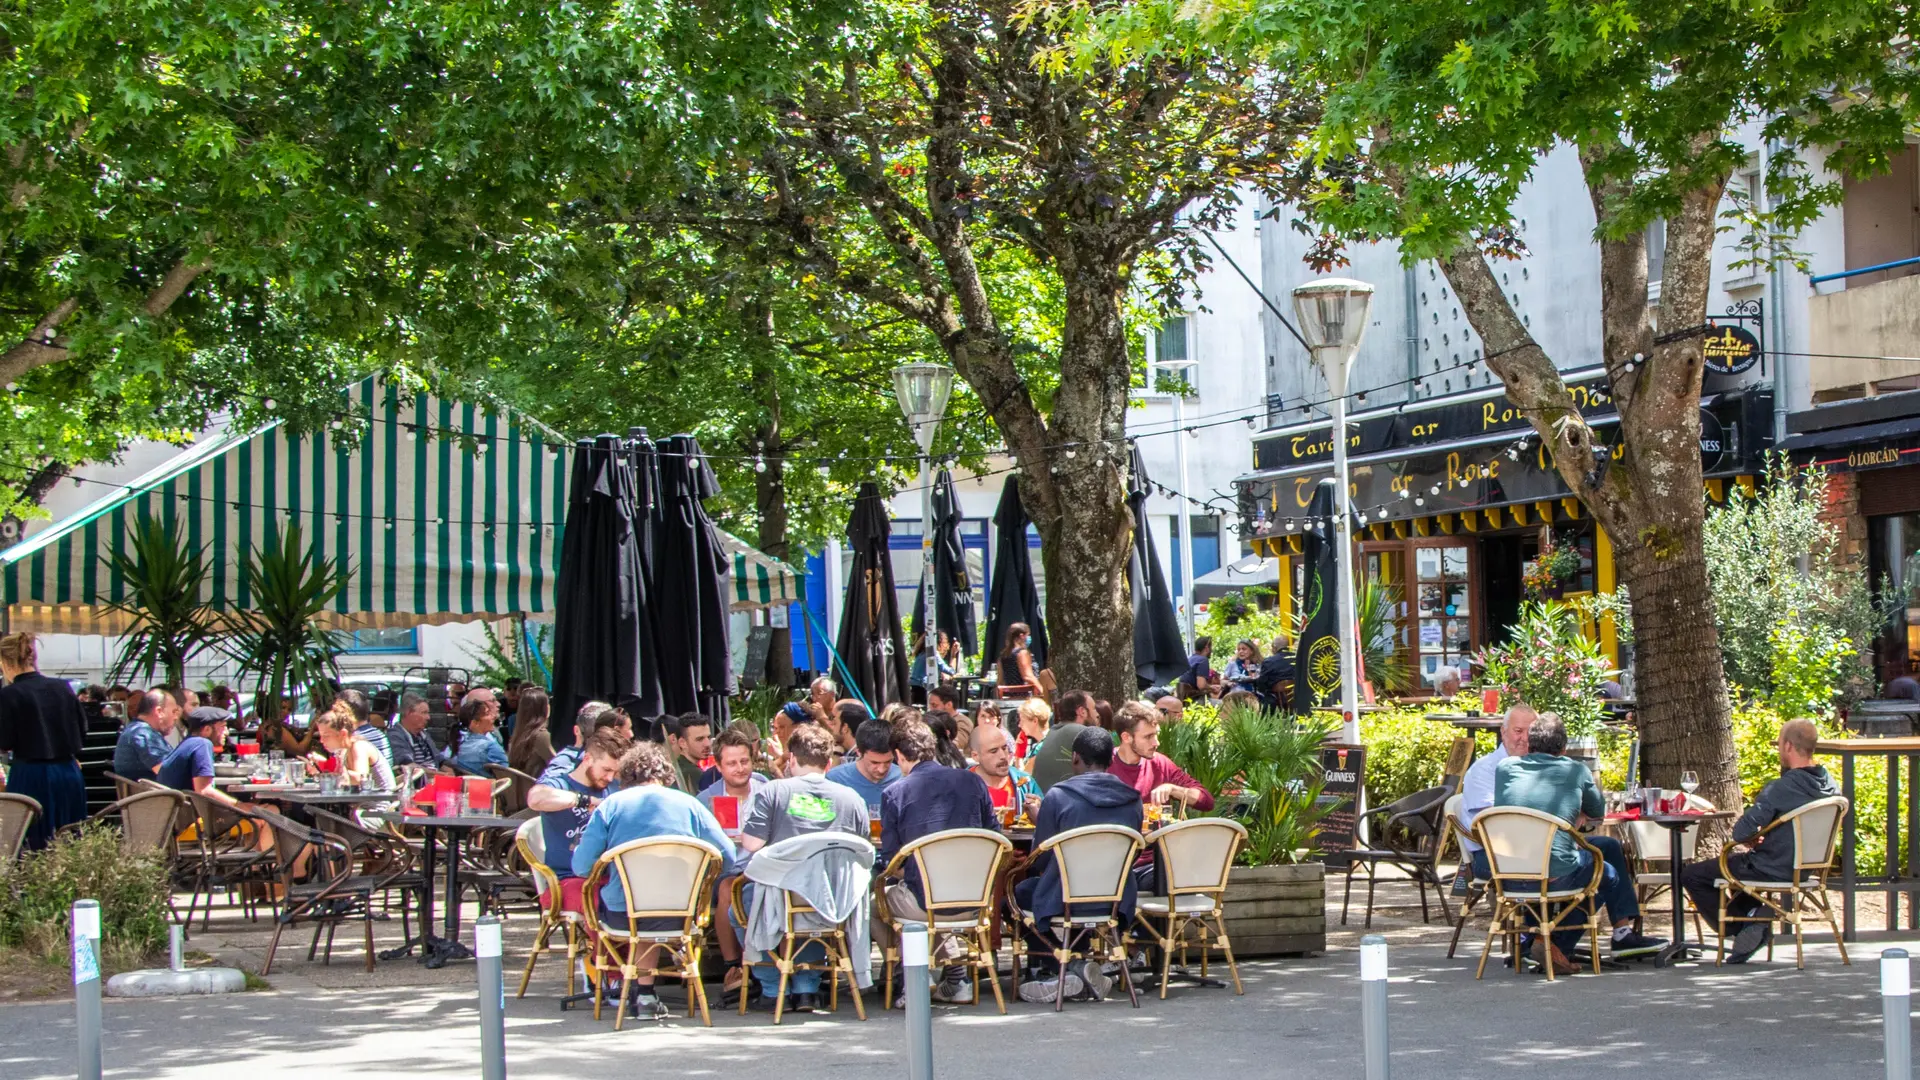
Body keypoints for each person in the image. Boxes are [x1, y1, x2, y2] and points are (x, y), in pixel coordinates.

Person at [571, 741, 740, 1021]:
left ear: (626, 777)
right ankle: (645, 993)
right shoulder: (690, 804)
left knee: (636, 909)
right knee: (651, 914)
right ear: (666, 775)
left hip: (623, 914)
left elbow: (581, 866)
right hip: (680, 914)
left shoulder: (611, 806)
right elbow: (728, 856)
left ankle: (639, 992)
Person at [1494, 712, 1663, 973]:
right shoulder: (1576, 770)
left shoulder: (1504, 769)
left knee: (1608, 848)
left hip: (1509, 872)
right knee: (1606, 873)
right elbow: (1598, 812)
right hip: (1554, 873)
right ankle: (1555, 943)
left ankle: (1618, 933)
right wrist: (1577, 815)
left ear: (1531, 743)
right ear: (1563, 748)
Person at [734, 724, 872, 1013]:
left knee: (737, 907)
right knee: (812, 909)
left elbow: (751, 843)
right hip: (835, 902)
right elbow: (863, 850)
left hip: (784, 896)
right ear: (829, 762)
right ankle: (807, 988)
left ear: (792, 759)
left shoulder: (774, 792)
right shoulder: (852, 799)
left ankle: (772, 987)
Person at [1680, 717, 1839, 963]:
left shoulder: (1781, 787)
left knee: (1692, 874)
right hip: (1806, 869)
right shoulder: (1830, 785)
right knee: (1738, 872)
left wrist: (1755, 836)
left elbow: (1740, 832)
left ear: (1787, 746)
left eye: (1779, 744)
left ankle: (1743, 930)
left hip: (1770, 866)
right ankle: (1755, 915)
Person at [1014, 726, 1144, 1003]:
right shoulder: (1132, 799)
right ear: (1111, 758)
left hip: (1066, 898)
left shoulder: (1059, 796)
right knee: (1052, 885)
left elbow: (1043, 858)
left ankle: (1055, 967)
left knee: (1018, 893)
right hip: (1116, 899)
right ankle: (1080, 965)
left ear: (1075, 758)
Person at [877, 718, 999, 1002]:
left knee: (877, 904)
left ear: (899, 755)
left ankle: (913, 979)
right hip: (974, 900)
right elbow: (993, 835)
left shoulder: (895, 793)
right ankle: (954, 974)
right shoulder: (972, 780)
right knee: (923, 897)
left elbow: (893, 861)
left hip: (925, 903)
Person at [526, 725, 630, 906]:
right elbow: (535, 798)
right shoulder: (560, 783)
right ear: (588, 759)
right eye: (606, 770)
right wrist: (584, 800)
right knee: (606, 904)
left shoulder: (612, 789)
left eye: (615, 772)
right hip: (568, 878)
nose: (610, 777)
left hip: (610, 877)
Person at [0, 633, 87, 848]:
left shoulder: (10, 695)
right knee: (70, 840)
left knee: (32, 842)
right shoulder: (63, 688)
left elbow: (4, 740)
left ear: (7, 662)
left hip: (31, 775)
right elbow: (82, 730)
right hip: (69, 772)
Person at [1459, 705, 1537, 879]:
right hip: (1493, 855)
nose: (1525, 738)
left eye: (1531, 732)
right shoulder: (1484, 770)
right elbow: (1495, 822)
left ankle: (1570, 906)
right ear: (1503, 731)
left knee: (1606, 847)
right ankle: (1559, 905)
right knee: (1577, 865)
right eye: (1518, 731)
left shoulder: (1539, 766)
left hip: (1535, 848)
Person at [1109, 701, 1213, 813]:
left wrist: (1173, 789)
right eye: (1148, 736)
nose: (1156, 743)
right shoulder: (1103, 764)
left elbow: (1206, 801)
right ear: (1126, 737)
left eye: (1156, 734)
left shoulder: (1161, 763)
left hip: (1157, 831)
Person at [310, 701, 397, 794]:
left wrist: (332, 772)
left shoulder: (359, 746)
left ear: (343, 734)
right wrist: (319, 767)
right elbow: (338, 781)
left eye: (326, 736)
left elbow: (360, 779)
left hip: (380, 805)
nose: (321, 740)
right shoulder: (342, 751)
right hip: (358, 804)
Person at [825, 718, 902, 820]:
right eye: (874, 762)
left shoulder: (903, 777)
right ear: (858, 752)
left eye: (888, 762)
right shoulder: (835, 780)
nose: (881, 769)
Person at [158, 707, 233, 794]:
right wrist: (239, 805)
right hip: (185, 807)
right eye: (223, 727)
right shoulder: (202, 744)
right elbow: (204, 791)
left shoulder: (188, 743)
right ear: (207, 729)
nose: (227, 732)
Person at [971, 725, 1040, 820]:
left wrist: (1040, 814)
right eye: (994, 751)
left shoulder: (1026, 783)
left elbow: (1049, 825)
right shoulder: (962, 786)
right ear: (975, 756)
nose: (1003, 756)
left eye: (1004, 748)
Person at [114, 689, 176, 778]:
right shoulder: (144, 733)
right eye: (173, 712)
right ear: (159, 711)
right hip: (161, 791)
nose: (176, 717)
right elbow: (168, 772)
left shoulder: (136, 729)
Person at [389, 693, 448, 772]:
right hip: (418, 781)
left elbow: (440, 760)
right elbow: (408, 766)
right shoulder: (395, 736)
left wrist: (450, 772)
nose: (428, 717)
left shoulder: (424, 735)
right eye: (424, 713)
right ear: (408, 713)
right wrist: (440, 775)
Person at [449, 696, 509, 774]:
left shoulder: (459, 744)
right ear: (475, 723)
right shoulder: (490, 747)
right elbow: (506, 776)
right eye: (487, 714)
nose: (493, 717)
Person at [333, 689, 392, 766]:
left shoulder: (353, 740)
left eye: (336, 710)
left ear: (345, 713)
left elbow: (357, 776)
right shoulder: (380, 735)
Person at [506, 687, 555, 777]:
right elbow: (558, 764)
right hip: (540, 787)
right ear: (546, 709)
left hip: (522, 787)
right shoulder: (541, 736)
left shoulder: (518, 735)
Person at [663, 713, 713, 795]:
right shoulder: (693, 773)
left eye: (708, 737)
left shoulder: (674, 768)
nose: (707, 744)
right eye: (700, 739)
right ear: (682, 743)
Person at [996, 622, 1045, 697]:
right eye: (1028, 635)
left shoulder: (1003, 655)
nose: (1029, 638)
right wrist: (1042, 691)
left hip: (1009, 696)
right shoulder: (1022, 653)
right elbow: (1028, 676)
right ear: (1022, 636)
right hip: (1025, 696)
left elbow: (1000, 679)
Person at [1251, 636, 1295, 709]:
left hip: (1275, 703)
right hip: (1297, 701)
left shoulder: (1269, 662)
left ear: (1274, 647)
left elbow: (1261, 685)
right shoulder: (1298, 659)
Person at [1014, 697, 1052, 771]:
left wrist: (1018, 756)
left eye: (1022, 720)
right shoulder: (1050, 739)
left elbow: (1023, 778)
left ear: (1035, 721)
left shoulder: (1041, 749)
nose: (1019, 725)